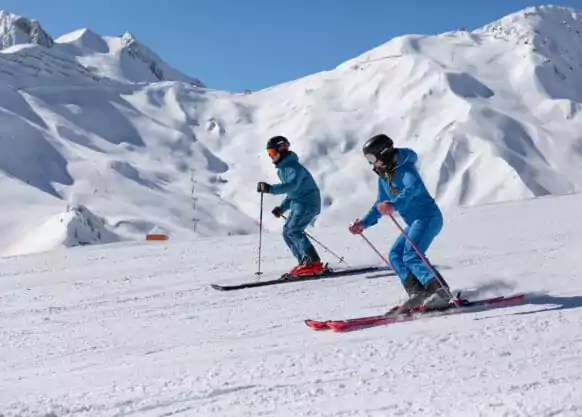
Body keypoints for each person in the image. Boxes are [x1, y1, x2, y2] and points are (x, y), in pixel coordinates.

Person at [348, 134, 450, 311]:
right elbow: (379, 204)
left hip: (428, 217)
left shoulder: (405, 168)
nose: (371, 163)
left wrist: (393, 204)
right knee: (395, 255)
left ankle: (440, 291)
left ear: (384, 153)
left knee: (411, 254)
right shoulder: (385, 176)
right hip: (414, 222)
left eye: (372, 158)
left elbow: (414, 187)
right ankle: (418, 292)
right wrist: (364, 223)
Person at [257, 135, 325, 277]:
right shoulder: (284, 169)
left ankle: (314, 263)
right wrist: (282, 208)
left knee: (294, 230)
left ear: (281, 149)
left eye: (272, 152)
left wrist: (270, 189)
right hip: (298, 203)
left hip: (308, 203)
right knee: (287, 231)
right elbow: (292, 192)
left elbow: (292, 185)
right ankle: (304, 262)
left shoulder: (294, 167)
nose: (270, 157)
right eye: (269, 153)